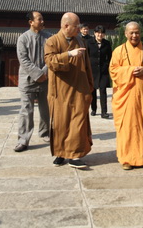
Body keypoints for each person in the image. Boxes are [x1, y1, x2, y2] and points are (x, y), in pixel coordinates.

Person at [109, 21, 143, 170]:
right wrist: (130, 71)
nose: (134, 35)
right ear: (126, 34)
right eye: (131, 33)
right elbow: (113, 71)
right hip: (126, 98)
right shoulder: (118, 51)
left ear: (141, 33)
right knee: (127, 128)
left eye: (137, 32)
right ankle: (126, 158)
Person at [44, 12, 94, 168]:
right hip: (60, 91)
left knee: (77, 123)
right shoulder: (52, 41)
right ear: (66, 26)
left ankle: (74, 155)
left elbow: (87, 65)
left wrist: (90, 85)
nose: (79, 29)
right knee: (60, 123)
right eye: (76, 26)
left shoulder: (79, 41)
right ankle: (60, 152)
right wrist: (68, 54)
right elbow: (50, 61)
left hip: (79, 89)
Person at [14, 11, 50, 152]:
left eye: (42, 19)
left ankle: (45, 132)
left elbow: (51, 56)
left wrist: (44, 73)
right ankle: (23, 140)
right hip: (27, 80)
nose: (42, 21)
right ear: (31, 22)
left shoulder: (49, 38)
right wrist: (37, 74)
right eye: (39, 19)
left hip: (45, 79)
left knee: (45, 109)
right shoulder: (23, 38)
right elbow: (23, 60)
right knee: (26, 111)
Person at [87, 25, 112, 118]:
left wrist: (107, 65)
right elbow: (86, 56)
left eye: (102, 33)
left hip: (103, 71)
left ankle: (104, 112)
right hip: (92, 70)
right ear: (94, 33)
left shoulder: (107, 43)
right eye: (98, 32)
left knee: (103, 90)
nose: (100, 34)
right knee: (92, 91)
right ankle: (93, 109)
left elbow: (110, 57)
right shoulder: (89, 42)